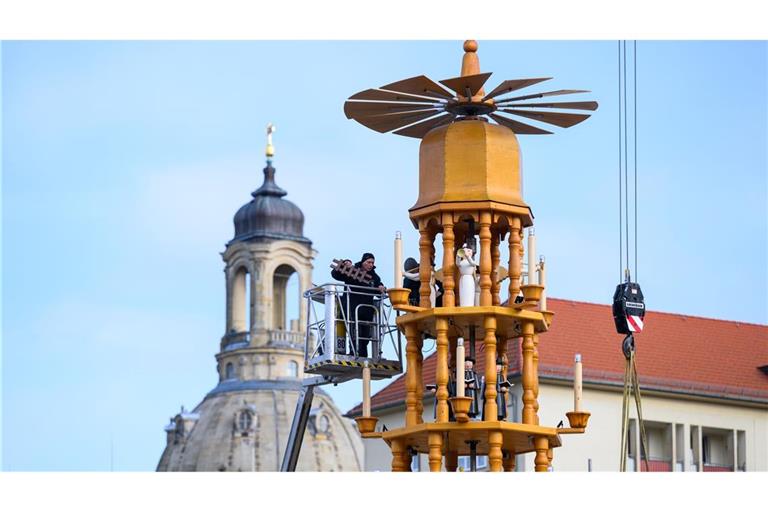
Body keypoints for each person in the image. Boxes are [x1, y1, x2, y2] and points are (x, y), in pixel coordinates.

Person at [330, 253, 386, 358]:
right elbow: (335, 274)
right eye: (368, 262)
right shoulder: (352, 271)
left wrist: (381, 287)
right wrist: (344, 263)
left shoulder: (374, 277)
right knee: (354, 332)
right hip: (352, 309)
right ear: (363, 262)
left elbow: (379, 291)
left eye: (372, 263)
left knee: (365, 336)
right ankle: (354, 353)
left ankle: (363, 355)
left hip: (366, 311)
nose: (370, 265)